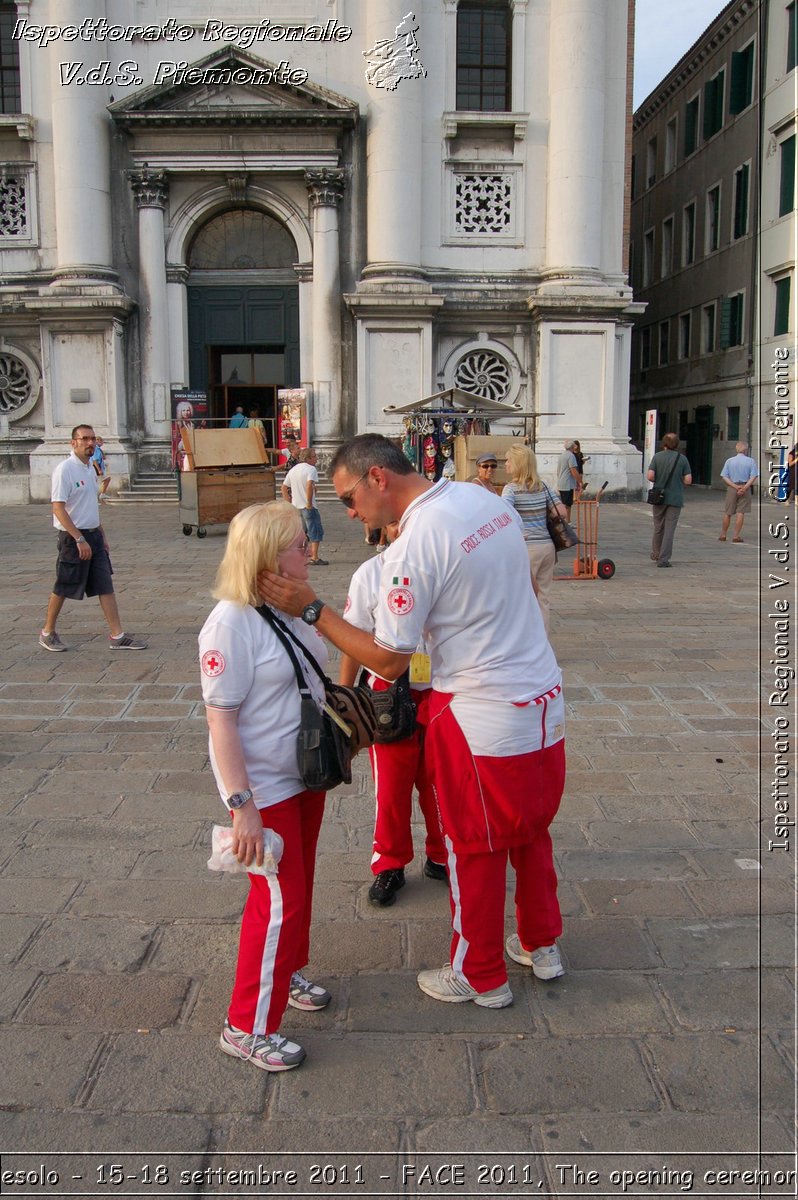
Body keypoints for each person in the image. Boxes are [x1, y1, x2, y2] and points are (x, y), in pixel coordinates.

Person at [258, 434, 566, 1009]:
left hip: (479, 708)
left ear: (378, 478)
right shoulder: (484, 501)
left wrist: (309, 606)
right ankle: (541, 942)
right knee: (530, 826)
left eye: (349, 498)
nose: (349, 513)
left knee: (473, 842)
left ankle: (480, 974)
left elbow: (390, 659)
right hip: (542, 695)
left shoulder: (413, 546)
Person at [198, 501, 331, 1073]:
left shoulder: (288, 607)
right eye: (299, 543)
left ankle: (288, 971)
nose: (309, 550)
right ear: (267, 555)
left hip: (303, 776)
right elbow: (219, 720)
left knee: (298, 889)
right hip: (264, 788)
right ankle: (245, 1026)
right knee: (277, 902)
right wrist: (241, 807)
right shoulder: (229, 622)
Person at [339, 520, 447, 906]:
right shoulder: (370, 574)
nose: (402, 531)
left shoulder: (445, 566)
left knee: (440, 783)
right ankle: (390, 864)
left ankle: (442, 854)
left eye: (410, 524)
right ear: (383, 530)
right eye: (393, 524)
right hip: (388, 694)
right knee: (392, 787)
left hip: (440, 690)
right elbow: (353, 640)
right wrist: (348, 701)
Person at [39, 425, 147, 653]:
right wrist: (79, 538)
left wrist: (101, 534)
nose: (90, 443)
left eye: (92, 439)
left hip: (94, 537)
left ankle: (117, 635)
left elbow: (90, 505)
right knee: (64, 585)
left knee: (104, 584)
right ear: (73, 443)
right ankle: (47, 632)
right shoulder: (64, 470)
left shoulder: (89, 469)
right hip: (73, 538)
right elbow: (58, 508)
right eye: (84, 439)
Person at [501, 444, 567, 637]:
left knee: (520, 599)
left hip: (526, 548)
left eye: (508, 460)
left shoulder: (511, 489)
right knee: (543, 598)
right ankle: (543, 644)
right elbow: (560, 511)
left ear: (517, 464)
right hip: (547, 546)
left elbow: (505, 514)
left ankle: (525, 645)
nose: (505, 464)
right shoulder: (544, 486)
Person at [647, 432, 692, 568]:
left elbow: (650, 476)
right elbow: (688, 480)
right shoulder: (682, 459)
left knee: (658, 526)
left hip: (659, 497)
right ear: (677, 444)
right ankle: (664, 558)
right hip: (675, 497)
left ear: (664, 443)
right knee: (670, 529)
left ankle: (656, 553)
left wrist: (659, 480)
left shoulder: (657, 457)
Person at [282, 448, 328, 566]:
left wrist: (289, 503)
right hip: (307, 506)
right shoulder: (311, 469)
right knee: (315, 530)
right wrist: (308, 502)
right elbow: (308, 485)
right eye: (314, 457)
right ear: (308, 458)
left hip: (296, 506)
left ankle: (299, 557)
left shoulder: (293, 469)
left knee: (301, 533)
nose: (316, 459)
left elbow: (284, 487)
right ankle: (315, 557)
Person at [719, 442, 758, 542]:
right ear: (745, 450)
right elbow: (753, 476)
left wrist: (735, 486)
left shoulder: (729, 461)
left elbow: (724, 476)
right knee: (740, 512)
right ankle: (736, 536)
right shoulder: (751, 461)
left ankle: (723, 534)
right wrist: (744, 487)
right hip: (745, 486)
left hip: (732, 487)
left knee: (728, 512)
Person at [556, 441, 581, 517]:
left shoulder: (562, 455)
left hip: (561, 483)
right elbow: (573, 470)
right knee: (567, 505)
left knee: (564, 503)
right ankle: (567, 522)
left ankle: (565, 521)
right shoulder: (571, 456)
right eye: (574, 446)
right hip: (567, 484)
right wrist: (580, 481)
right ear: (572, 447)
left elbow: (558, 471)